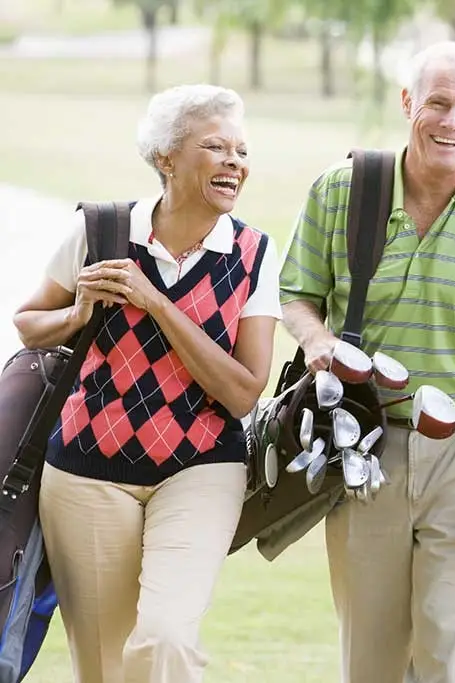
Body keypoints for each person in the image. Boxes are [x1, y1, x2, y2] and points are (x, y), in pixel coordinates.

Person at [278, 41, 455, 683]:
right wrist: (316, 339)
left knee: (449, 652)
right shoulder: (343, 190)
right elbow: (298, 294)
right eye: (437, 103)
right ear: (408, 103)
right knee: (372, 653)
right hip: (362, 444)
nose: (451, 122)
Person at [12, 84, 281, 683]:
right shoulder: (101, 229)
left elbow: (243, 392)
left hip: (200, 468)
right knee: (105, 665)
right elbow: (30, 323)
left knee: (166, 636)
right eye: (216, 146)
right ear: (167, 158)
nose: (235, 161)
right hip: (85, 474)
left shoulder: (255, 253)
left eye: (242, 150)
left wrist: (157, 304)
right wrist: (75, 316)